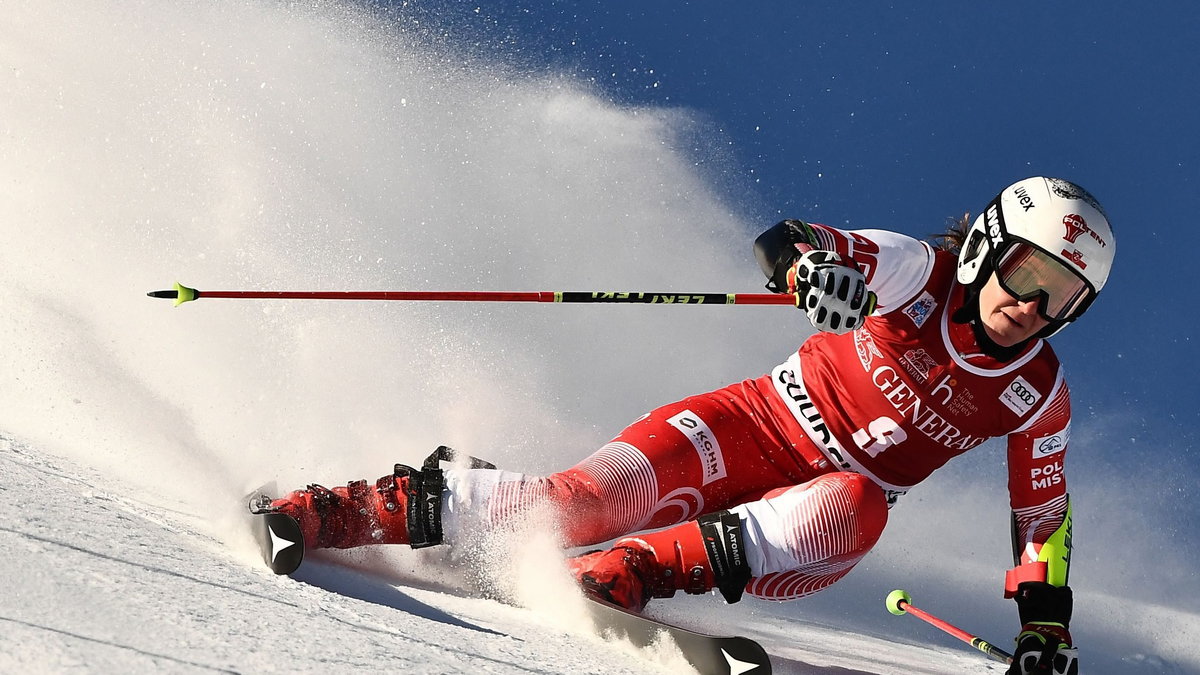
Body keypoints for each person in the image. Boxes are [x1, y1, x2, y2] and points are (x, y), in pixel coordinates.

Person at [269, 177, 1112, 675]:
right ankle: (337, 510)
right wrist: (814, 271)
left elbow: (1043, 517)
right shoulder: (915, 270)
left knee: (857, 503)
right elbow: (790, 239)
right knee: (584, 500)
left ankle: (621, 577)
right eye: (1026, 271)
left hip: (809, 522)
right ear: (987, 246)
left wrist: (1046, 626)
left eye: (1062, 296)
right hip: (754, 421)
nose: (1030, 305)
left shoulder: (1035, 392)